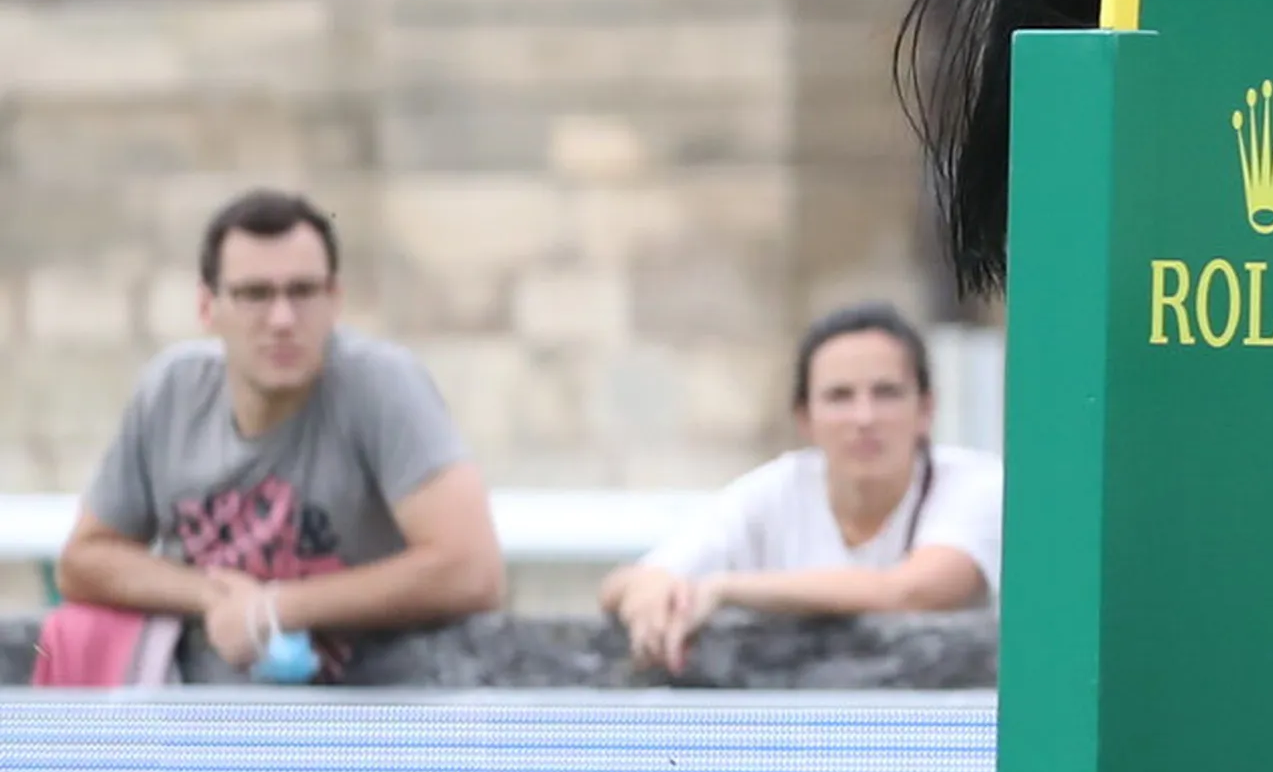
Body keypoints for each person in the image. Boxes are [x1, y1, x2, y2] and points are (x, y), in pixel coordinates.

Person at [56, 191, 503, 683]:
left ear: (335, 299)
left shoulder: (382, 386)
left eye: (303, 291)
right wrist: (209, 594)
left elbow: (472, 570)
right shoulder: (172, 394)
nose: (282, 320)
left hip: (380, 724)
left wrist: (276, 608)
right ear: (208, 307)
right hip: (206, 728)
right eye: (254, 294)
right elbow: (84, 560)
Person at [598, 302, 1003, 673]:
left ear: (926, 410)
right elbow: (627, 582)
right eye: (839, 396)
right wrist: (649, 591)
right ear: (804, 418)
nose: (864, 417)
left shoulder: (977, 486)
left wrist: (725, 589)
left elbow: (911, 591)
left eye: (886, 393)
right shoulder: (775, 489)